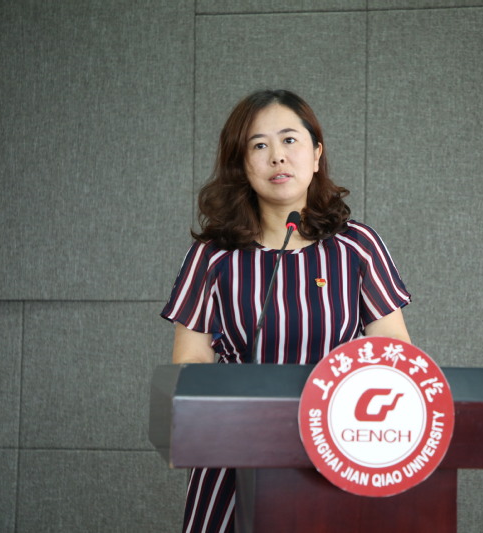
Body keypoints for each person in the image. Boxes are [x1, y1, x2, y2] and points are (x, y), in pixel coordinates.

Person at [160, 89, 411, 533]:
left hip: (336, 450)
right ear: (241, 165)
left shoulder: (357, 246)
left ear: (316, 154)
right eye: (259, 145)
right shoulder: (212, 255)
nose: (277, 156)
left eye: (290, 140)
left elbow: (392, 352)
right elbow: (192, 361)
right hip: (234, 453)